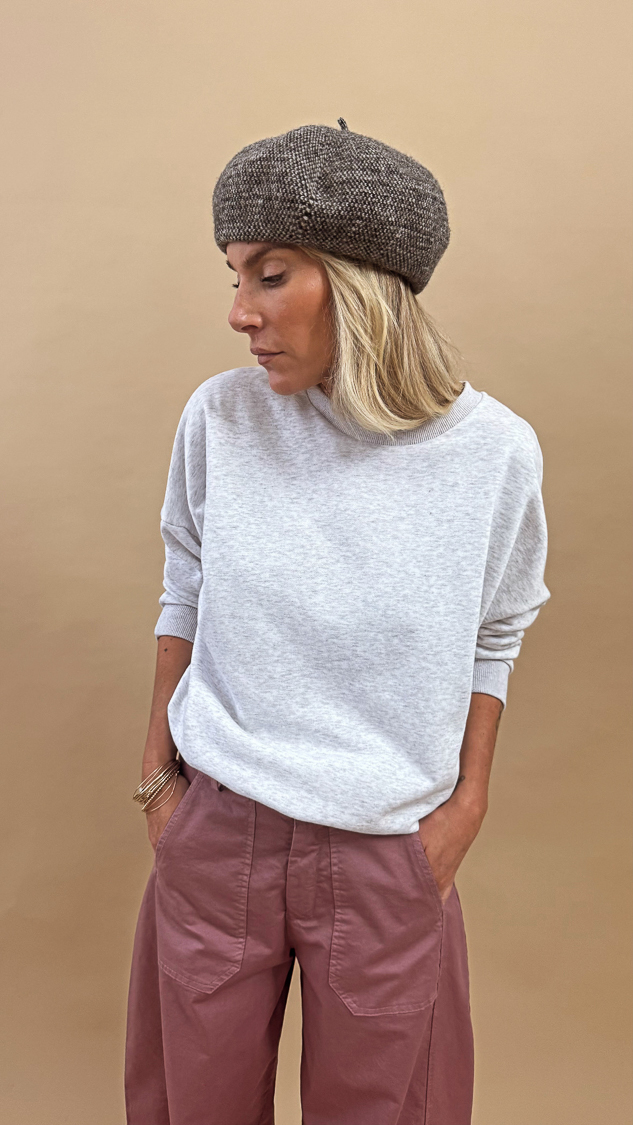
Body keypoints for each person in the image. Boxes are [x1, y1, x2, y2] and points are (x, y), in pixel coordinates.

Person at [124, 120, 550, 1125]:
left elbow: (496, 632)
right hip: (218, 827)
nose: (239, 311)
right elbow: (185, 586)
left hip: (385, 848)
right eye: (235, 276)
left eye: (269, 275)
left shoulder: (495, 454)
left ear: (359, 283)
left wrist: (465, 806)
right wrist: (158, 783)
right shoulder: (222, 418)